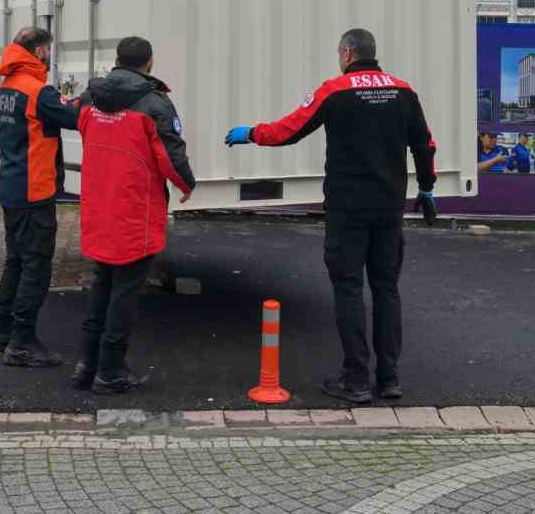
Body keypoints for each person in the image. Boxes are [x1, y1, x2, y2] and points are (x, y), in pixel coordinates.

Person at [225, 27, 436, 405]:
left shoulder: (334, 90)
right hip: (389, 208)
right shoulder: (404, 90)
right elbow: (424, 142)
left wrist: (251, 133)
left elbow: (289, 129)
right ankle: (389, 379)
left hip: (347, 208)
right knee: (387, 289)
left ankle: (355, 379)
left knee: (349, 288)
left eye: (340, 53)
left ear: (348, 53)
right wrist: (427, 187)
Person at [71, 36, 195, 394]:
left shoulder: (91, 98)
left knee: (102, 285)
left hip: (99, 207)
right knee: (124, 294)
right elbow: (171, 156)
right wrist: (187, 185)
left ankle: (86, 365)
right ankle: (110, 372)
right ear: (150, 63)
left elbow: (81, 126)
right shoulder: (155, 104)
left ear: (117, 60)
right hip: (134, 212)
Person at [0, 26, 80, 367]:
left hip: (12, 187)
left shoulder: (7, 87)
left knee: (15, 262)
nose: (50, 55)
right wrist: (88, 96)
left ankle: (2, 332)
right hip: (34, 191)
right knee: (36, 268)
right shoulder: (38, 91)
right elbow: (73, 117)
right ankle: (22, 343)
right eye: (48, 50)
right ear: (40, 52)